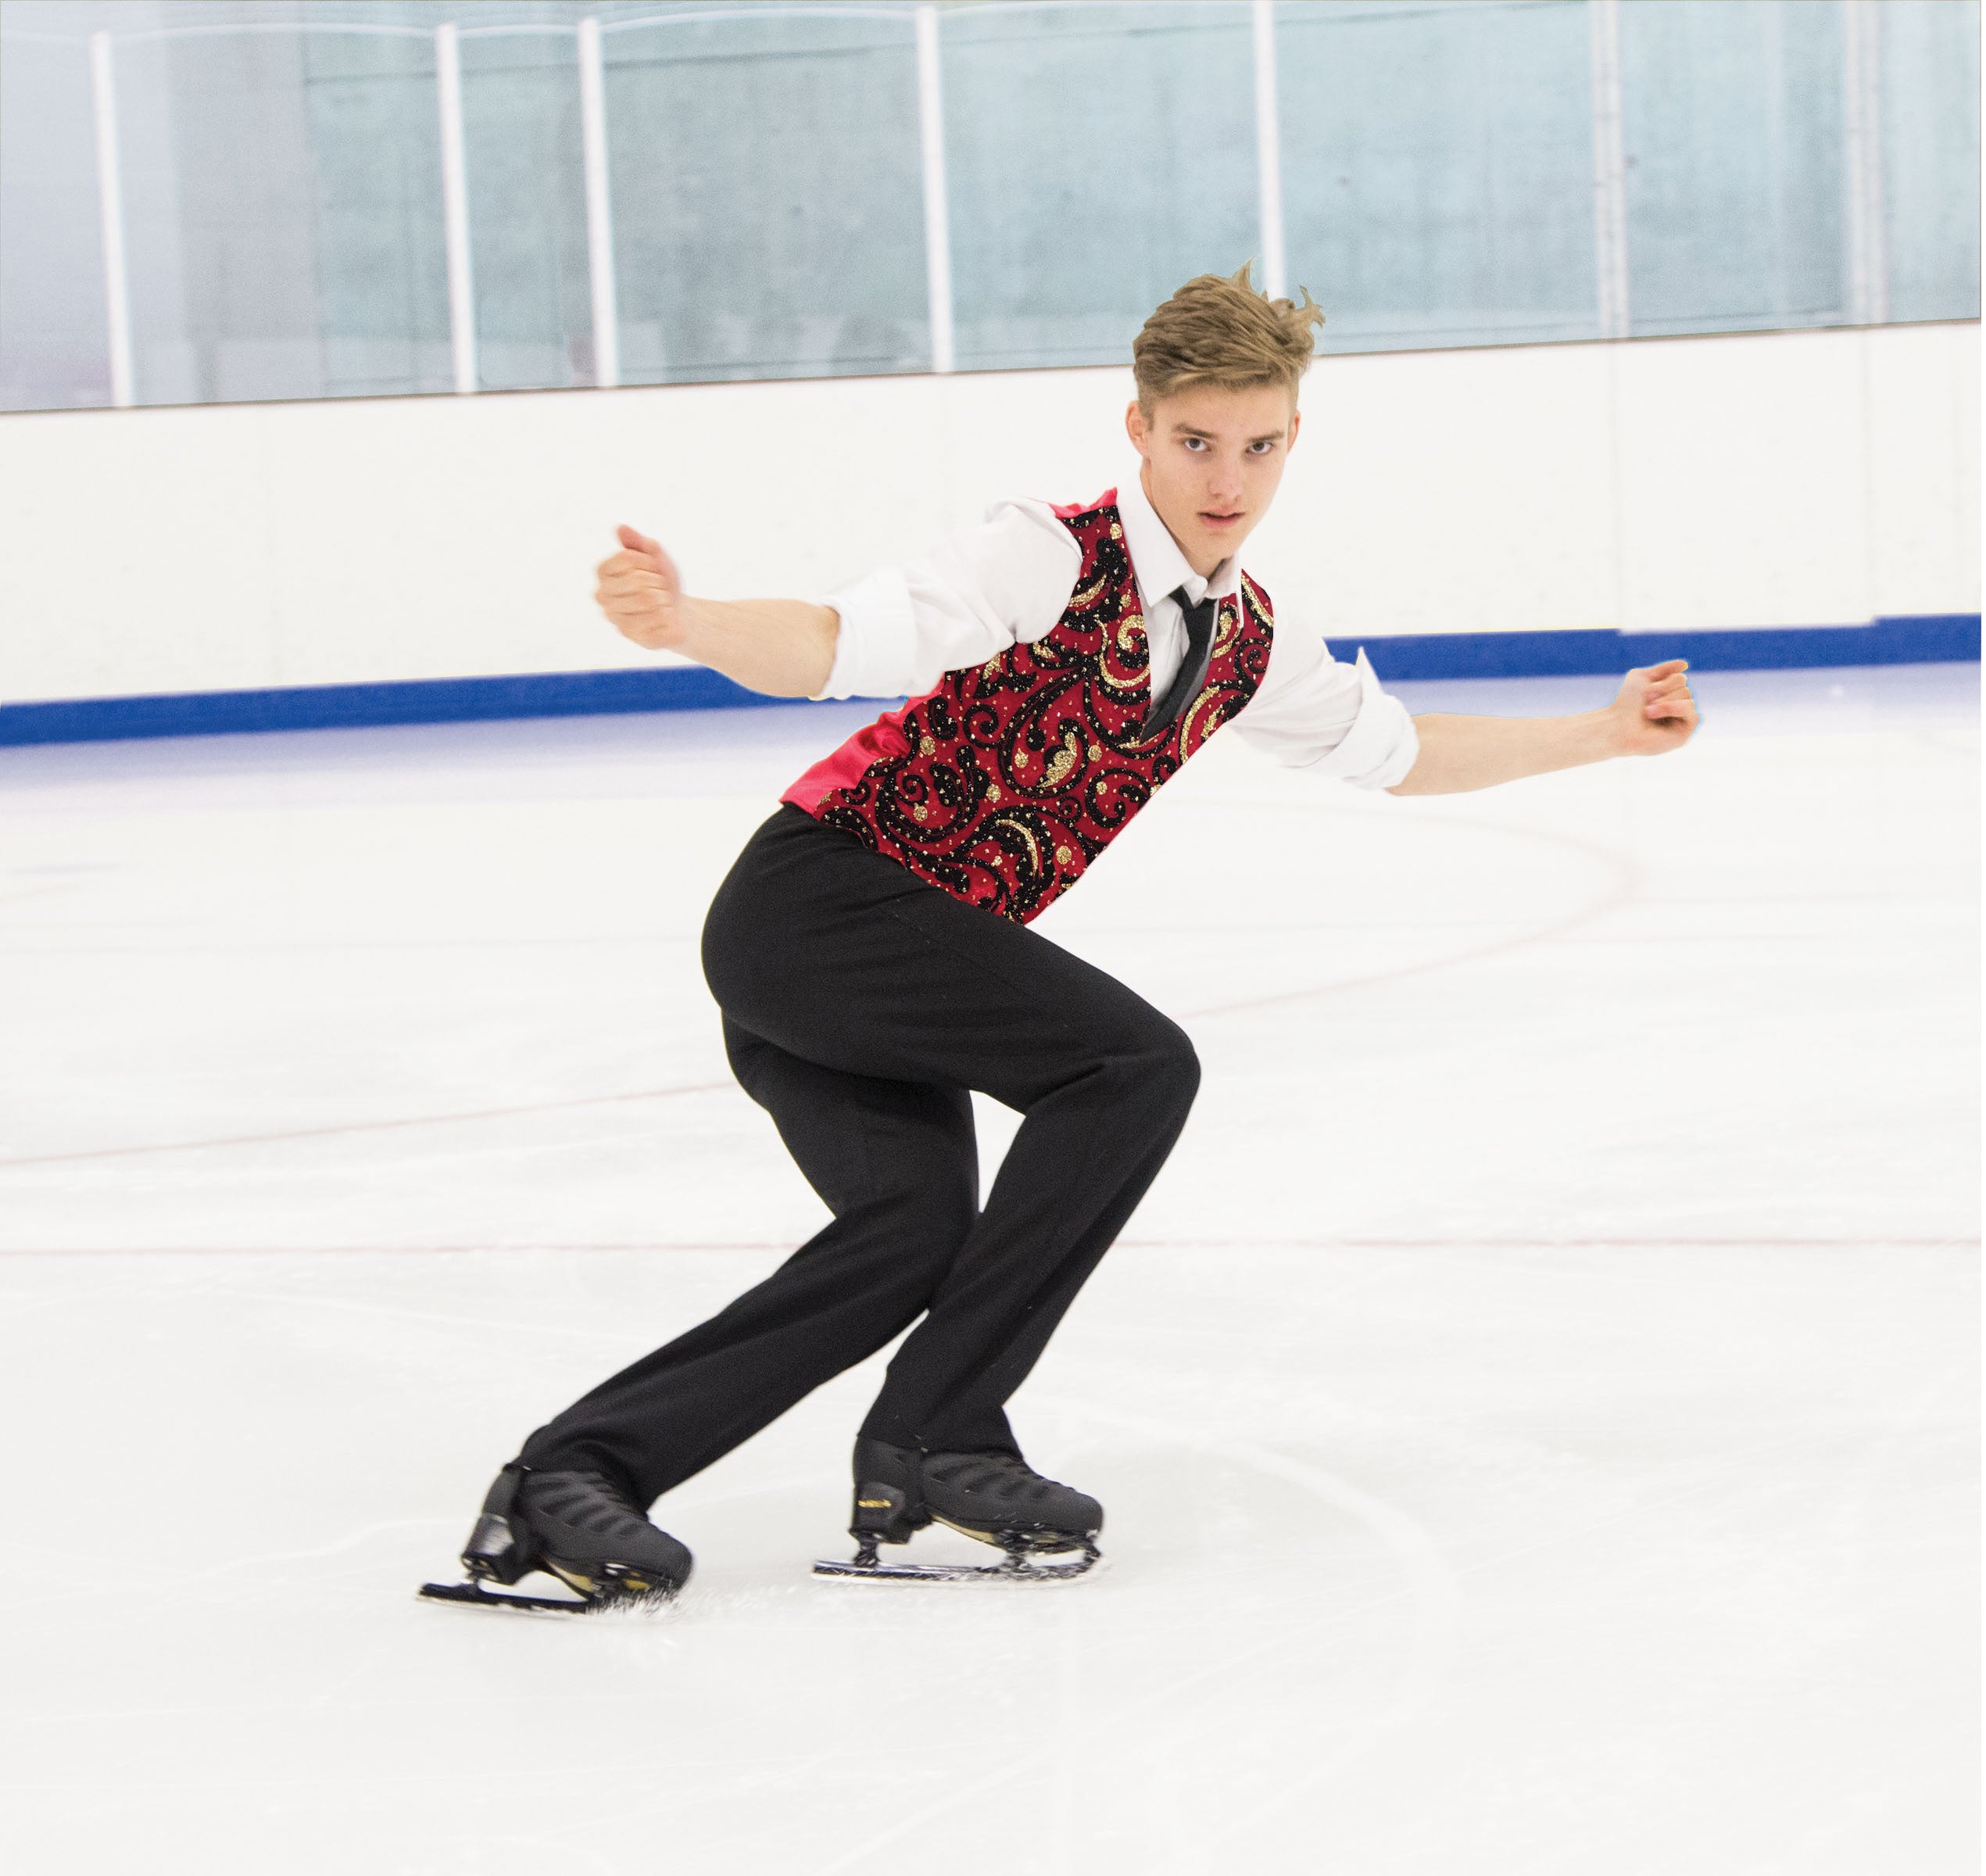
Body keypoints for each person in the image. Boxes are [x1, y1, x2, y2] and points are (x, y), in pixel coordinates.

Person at [430, 265, 1699, 1609]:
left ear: (1293, 440)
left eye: (1258, 446)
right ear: (1138, 427)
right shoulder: (1047, 554)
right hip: (818, 909)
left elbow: (1397, 753)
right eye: (1196, 441)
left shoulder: (1247, 640)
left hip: (890, 956)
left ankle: (575, 1472)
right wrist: (691, 624)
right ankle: (938, 1437)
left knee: (910, 1237)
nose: (1226, 479)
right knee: (1130, 1066)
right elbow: (844, 640)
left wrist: (1604, 733)